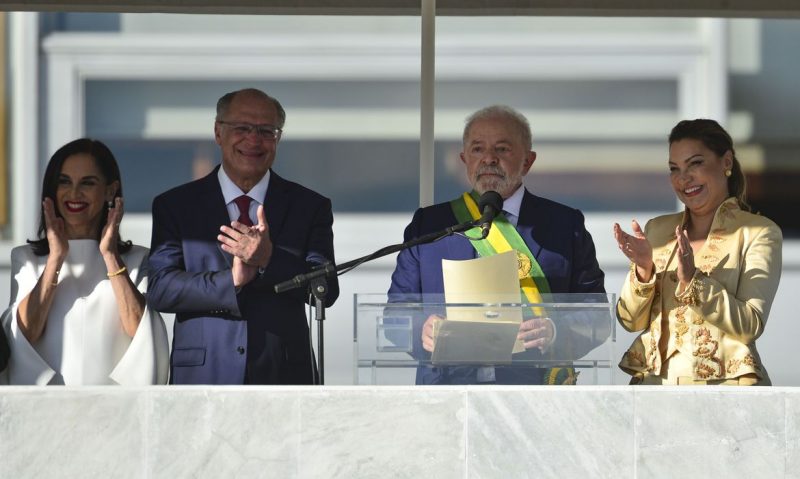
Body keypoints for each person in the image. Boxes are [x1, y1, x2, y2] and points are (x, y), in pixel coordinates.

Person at [388, 105, 606, 385]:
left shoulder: (564, 225)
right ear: (463, 159)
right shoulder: (429, 226)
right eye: (478, 150)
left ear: (528, 161)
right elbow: (396, 313)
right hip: (446, 390)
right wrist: (422, 330)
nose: (489, 159)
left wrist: (555, 332)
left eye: (502, 149)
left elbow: (596, 314)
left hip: (533, 391)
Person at [147, 88, 338, 385]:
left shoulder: (309, 206)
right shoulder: (176, 206)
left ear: (278, 139)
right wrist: (231, 282)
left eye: (266, 131)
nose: (253, 139)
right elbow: (161, 288)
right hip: (204, 375)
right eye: (242, 128)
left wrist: (269, 259)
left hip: (283, 375)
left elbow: (326, 287)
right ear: (218, 132)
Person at [614, 119, 782, 385]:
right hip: (654, 390)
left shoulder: (758, 231)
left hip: (726, 390)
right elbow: (630, 321)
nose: (683, 178)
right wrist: (644, 270)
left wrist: (694, 281)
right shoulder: (657, 230)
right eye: (674, 168)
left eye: (695, 163)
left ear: (726, 162)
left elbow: (749, 325)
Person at [0, 138, 169, 385]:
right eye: (64, 182)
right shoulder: (26, 258)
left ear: (110, 191)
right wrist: (56, 257)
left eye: (87, 183)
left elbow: (141, 331)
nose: (74, 193)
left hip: (114, 408)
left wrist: (110, 255)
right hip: (44, 410)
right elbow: (24, 334)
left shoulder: (136, 259)